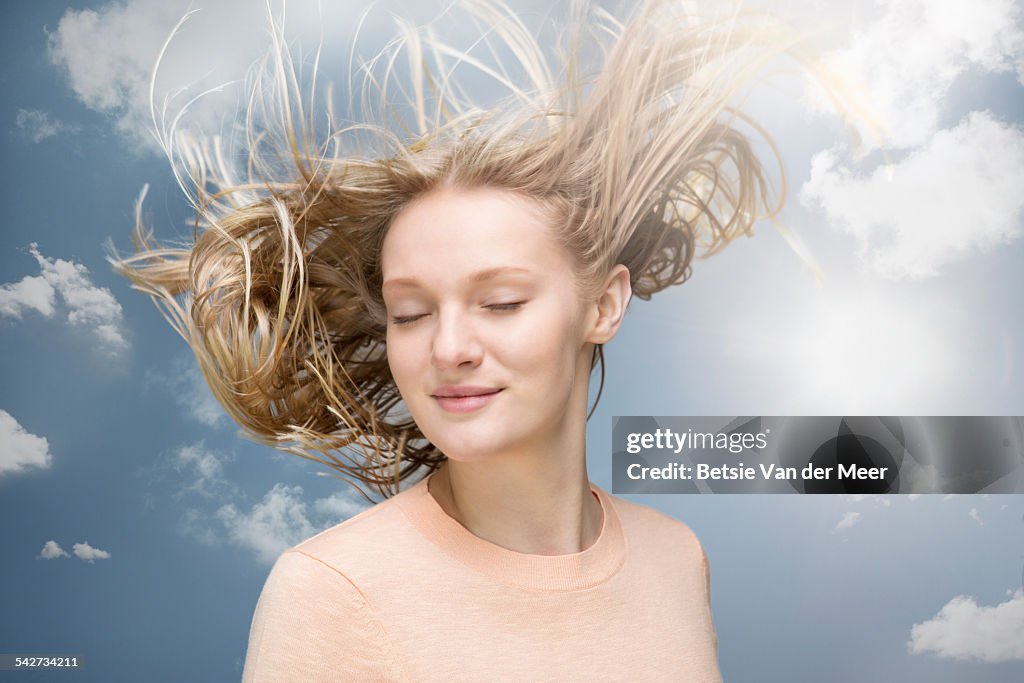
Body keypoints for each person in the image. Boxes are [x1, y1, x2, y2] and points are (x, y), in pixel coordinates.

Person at [111, 0, 822, 679]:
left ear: (604, 305)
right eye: (411, 312)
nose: (449, 347)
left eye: (501, 301)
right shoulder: (334, 591)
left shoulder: (675, 557)